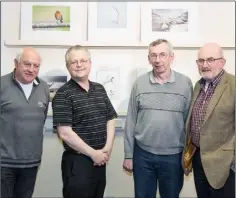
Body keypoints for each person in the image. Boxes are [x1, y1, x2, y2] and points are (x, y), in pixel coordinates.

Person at [123, 39, 193, 198]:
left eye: (162, 55)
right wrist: (128, 155)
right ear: (149, 59)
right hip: (143, 156)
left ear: (171, 57)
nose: (158, 60)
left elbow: (190, 123)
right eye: (153, 55)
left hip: (174, 157)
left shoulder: (185, 84)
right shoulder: (139, 83)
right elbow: (131, 121)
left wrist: (188, 157)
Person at [52, 45, 117, 198]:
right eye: (74, 62)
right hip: (78, 162)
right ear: (68, 66)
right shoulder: (63, 94)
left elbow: (111, 119)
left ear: (90, 63)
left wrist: (106, 149)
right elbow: (65, 133)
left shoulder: (99, 88)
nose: (79, 65)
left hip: (100, 160)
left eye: (83, 60)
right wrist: (93, 154)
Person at [182, 43, 235, 198]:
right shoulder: (198, 85)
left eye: (210, 59)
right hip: (198, 159)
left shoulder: (233, 85)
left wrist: (233, 162)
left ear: (222, 62)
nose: (205, 65)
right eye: (201, 60)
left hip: (224, 164)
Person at [0, 47, 50, 198]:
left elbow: (42, 119)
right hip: (4, 162)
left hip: (32, 162)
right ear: (16, 63)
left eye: (36, 66)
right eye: (27, 64)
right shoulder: (2, 85)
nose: (31, 69)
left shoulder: (44, 87)